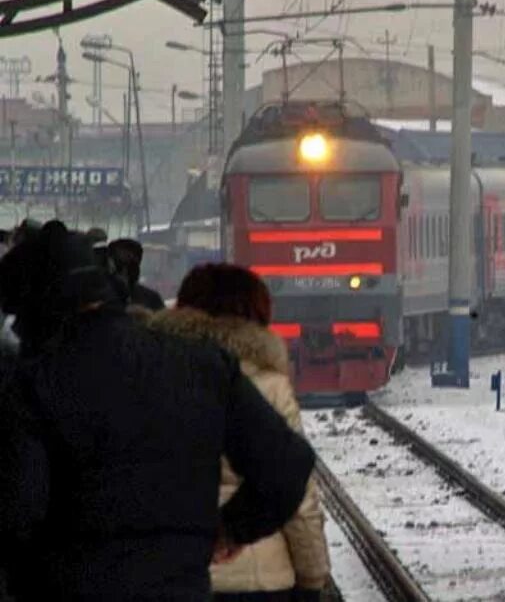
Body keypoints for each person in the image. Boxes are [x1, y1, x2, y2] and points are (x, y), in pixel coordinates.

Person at [0, 221, 316, 601]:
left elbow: (18, 509)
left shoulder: (31, 384)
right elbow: (288, 466)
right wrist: (231, 529)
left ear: (40, 308)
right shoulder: (203, 366)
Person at [150, 263, 331, 602]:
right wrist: (312, 576)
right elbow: (297, 497)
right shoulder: (270, 385)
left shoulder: (153, 376)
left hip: (172, 573)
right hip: (257, 579)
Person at [107, 238, 165, 311]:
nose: (126, 270)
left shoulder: (151, 298)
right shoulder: (150, 297)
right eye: (121, 264)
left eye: (132, 264)